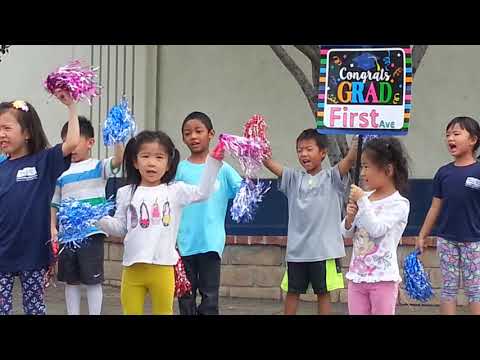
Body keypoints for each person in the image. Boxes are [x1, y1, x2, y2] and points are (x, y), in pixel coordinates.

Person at [97, 130, 225, 315]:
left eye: (159, 157)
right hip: (132, 270)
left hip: (163, 268)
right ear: (135, 161)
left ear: (168, 164)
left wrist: (213, 162)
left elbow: (203, 192)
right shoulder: (125, 192)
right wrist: (97, 219)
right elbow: (120, 227)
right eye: (145, 156)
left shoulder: (175, 191)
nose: (151, 162)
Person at [0, 91, 80, 315]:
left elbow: (72, 141)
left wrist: (71, 106)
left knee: (34, 308)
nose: (1, 135)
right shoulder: (1, 168)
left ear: (26, 133)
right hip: (2, 252)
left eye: (7, 128)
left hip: (33, 252)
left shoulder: (44, 161)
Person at [263, 128, 357, 315]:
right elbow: (269, 163)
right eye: (299, 150)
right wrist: (257, 144)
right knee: (292, 291)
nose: (303, 154)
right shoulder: (293, 179)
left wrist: (358, 138)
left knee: (323, 293)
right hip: (297, 252)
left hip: (323, 251)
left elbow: (350, 159)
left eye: (309, 149)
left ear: (323, 153)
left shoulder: (332, 177)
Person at [50, 116, 124, 315]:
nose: (71, 146)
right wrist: (53, 227)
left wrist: (118, 138)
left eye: (75, 140)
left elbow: (118, 161)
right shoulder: (61, 171)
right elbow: (54, 202)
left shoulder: (98, 166)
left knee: (93, 279)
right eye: (66, 141)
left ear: (90, 142)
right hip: (68, 236)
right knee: (70, 280)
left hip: (92, 232)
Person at [176, 112, 242, 315]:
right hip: (184, 243)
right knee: (185, 296)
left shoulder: (223, 168)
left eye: (199, 131)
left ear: (211, 134)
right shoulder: (180, 169)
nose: (193, 137)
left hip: (211, 243)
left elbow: (242, 192)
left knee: (209, 297)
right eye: (188, 133)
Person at [417, 116, 480, 315]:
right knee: (449, 289)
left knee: (475, 290)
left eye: (456, 133)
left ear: (473, 140)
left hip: (475, 241)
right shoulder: (443, 173)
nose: (450, 138)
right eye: (447, 135)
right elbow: (435, 207)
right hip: (446, 240)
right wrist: (422, 235)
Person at [342, 137, 410, 315]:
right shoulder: (366, 197)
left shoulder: (399, 204)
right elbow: (347, 233)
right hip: (357, 277)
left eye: (366, 167)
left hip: (383, 279)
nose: (362, 173)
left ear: (387, 170)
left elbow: (377, 229)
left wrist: (363, 201)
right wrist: (349, 218)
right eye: (362, 166)